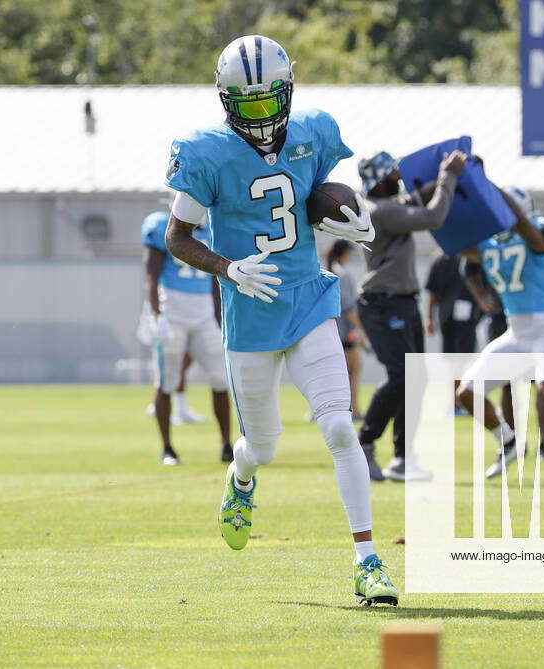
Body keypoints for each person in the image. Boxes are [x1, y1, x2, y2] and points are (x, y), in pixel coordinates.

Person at [163, 35, 398, 606]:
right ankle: (242, 477)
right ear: (226, 102)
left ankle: (367, 561)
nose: (263, 119)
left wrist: (355, 221)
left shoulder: (313, 131)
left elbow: (321, 195)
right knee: (262, 447)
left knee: (340, 428)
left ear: (288, 93)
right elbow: (177, 237)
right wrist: (227, 269)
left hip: (310, 298)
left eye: (270, 103)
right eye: (248, 106)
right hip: (250, 313)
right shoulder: (206, 152)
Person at [455, 186, 544, 482]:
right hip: (516, 332)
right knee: (466, 393)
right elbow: (453, 244)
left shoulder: (539, 234)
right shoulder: (490, 244)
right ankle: (509, 442)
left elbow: (533, 236)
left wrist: (488, 185)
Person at [355, 149, 467, 482]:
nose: (399, 177)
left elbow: (418, 198)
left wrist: (448, 174)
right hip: (382, 302)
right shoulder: (382, 210)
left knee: (414, 379)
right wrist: (449, 178)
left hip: (401, 301)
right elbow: (432, 217)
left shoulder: (388, 206)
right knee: (402, 375)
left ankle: (403, 457)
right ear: (380, 179)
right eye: (392, 173)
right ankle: (364, 442)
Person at [142, 210, 233, 466]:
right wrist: (156, 313)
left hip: (203, 313)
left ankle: (227, 445)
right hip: (172, 311)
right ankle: (167, 448)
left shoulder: (212, 227)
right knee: (167, 381)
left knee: (219, 379)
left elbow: (215, 277)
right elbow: (151, 274)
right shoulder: (161, 224)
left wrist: (219, 315)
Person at [325, 240, 367, 424]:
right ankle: (354, 409)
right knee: (354, 370)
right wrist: (362, 329)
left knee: (335, 374)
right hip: (346, 332)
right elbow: (349, 308)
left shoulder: (328, 272)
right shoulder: (344, 276)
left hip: (331, 331)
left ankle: (330, 410)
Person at [425, 252, 479, 354]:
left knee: (450, 353)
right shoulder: (469, 256)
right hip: (464, 312)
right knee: (464, 354)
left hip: (445, 313)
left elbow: (432, 293)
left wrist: (430, 319)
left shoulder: (439, 260)